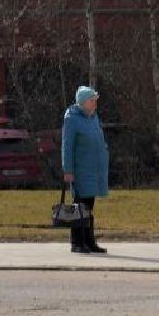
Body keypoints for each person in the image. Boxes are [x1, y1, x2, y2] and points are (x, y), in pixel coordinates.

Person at [61, 85, 111, 255]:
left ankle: (89, 242)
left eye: (95, 100)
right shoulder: (72, 119)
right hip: (80, 170)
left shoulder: (93, 117)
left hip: (93, 170)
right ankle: (77, 242)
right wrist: (68, 170)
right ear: (83, 102)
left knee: (88, 208)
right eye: (92, 100)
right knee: (79, 207)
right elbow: (67, 146)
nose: (95, 103)